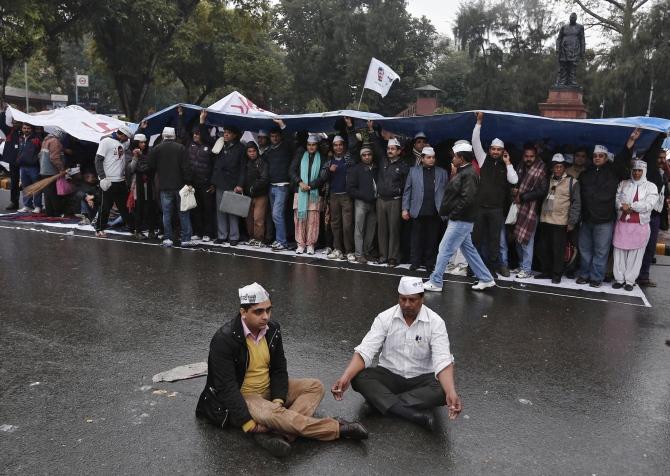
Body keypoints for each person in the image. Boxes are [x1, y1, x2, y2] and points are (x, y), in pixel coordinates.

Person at [196, 282, 368, 457]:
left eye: (268, 310)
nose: (265, 317)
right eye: (258, 311)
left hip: (268, 390)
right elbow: (226, 388)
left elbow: (279, 369)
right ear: (243, 313)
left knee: (315, 386)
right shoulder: (224, 339)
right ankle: (337, 428)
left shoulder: (273, 329)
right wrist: (249, 424)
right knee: (274, 413)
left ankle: (276, 433)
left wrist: (278, 400)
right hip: (244, 396)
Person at [331, 276, 462, 430]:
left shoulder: (436, 322)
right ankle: (411, 414)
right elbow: (366, 350)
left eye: (412, 300)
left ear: (422, 299)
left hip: (420, 380)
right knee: (358, 378)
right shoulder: (385, 317)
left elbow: (442, 360)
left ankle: (380, 404)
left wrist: (451, 392)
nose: (406, 304)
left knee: (443, 391)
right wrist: (345, 377)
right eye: (403, 299)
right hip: (389, 376)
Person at [423, 141, 496, 292]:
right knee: (469, 250)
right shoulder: (465, 171)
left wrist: (454, 214)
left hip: (461, 219)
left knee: (444, 248)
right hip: (462, 218)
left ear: (461, 158)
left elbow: (467, 199)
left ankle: (436, 281)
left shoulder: (469, 173)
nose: (452, 159)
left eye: (455, 156)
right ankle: (486, 278)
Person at [576, 130, 637, 288]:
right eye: (595, 155)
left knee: (601, 251)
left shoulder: (613, 171)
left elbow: (623, 158)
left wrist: (630, 141)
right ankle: (584, 274)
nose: (597, 158)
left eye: (601, 155)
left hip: (605, 220)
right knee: (584, 249)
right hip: (587, 219)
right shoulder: (585, 174)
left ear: (606, 157)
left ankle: (596, 277)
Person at [472, 112, 519, 277]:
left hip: (496, 210)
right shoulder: (483, 159)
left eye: (499, 150)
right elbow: (475, 141)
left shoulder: (505, 165)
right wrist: (479, 122)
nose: (495, 152)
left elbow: (514, 180)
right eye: (493, 149)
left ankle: (492, 269)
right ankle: (473, 268)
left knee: (494, 242)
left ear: (502, 151)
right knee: (476, 240)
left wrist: (508, 163)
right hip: (480, 208)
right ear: (489, 149)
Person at [612, 161, 659, 291]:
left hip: (640, 226)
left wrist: (631, 207)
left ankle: (629, 281)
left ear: (644, 171)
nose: (636, 173)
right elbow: (616, 199)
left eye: (639, 170)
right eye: (634, 170)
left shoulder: (651, 187)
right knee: (619, 252)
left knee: (636, 254)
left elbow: (649, 204)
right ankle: (619, 279)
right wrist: (622, 206)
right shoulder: (623, 183)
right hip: (622, 224)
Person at [535, 154, 581, 283]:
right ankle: (546, 271)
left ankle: (556, 274)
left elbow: (576, 203)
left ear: (564, 168)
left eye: (561, 167)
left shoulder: (572, 182)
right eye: (556, 167)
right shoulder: (547, 180)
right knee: (544, 247)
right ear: (552, 168)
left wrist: (572, 221)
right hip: (545, 219)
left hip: (560, 221)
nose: (558, 169)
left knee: (558, 250)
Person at [402, 146, 448, 273]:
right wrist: (405, 209)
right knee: (416, 239)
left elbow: (446, 192)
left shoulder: (442, 172)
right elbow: (407, 191)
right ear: (422, 158)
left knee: (432, 240)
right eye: (428, 157)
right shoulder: (413, 171)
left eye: (433, 157)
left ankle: (430, 263)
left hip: (435, 211)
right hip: (418, 210)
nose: (431, 160)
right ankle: (415, 262)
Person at [148, 127, 194, 248]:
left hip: (164, 185)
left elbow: (150, 165)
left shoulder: (156, 148)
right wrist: (188, 181)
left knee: (166, 213)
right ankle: (185, 239)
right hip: (180, 186)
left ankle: (167, 238)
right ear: (174, 136)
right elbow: (186, 167)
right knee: (183, 212)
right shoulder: (181, 148)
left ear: (163, 136)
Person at [510, 145, 548, 279]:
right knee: (518, 239)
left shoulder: (541, 169)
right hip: (518, 208)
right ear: (523, 156)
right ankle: (521, 266)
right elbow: (515, 182)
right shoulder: (520, 166)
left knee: (527, 241)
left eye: (531, 156)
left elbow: (542, 191)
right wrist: (514, 190)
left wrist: (523, 196)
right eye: (526, 156)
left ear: (536, 156)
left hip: (531, 210)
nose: (529, 159)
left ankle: (526, 269)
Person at [375, 133, 409, 267]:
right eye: (389, 149)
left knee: (394, 230)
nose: (390, 151)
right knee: (382, 230)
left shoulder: (404, 166)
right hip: (381, 200)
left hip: (395, 201)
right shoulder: (383, 161)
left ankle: (392, 258)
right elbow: (377, 147)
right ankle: (383, 256)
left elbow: (407, 187)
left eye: (393, 149)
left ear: (399, 151)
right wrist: (372, 130)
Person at [94, 125, 134, 237]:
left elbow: (133, 140)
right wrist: (102, 178)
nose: (128, 140)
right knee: (105, 206)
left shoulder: (122, 143)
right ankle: (99, 229)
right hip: (108, 180)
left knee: (125, 206)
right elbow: (98, 160)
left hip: (120, 180)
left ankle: (133, 228)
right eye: (127, 137)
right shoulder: (106, 141)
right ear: (122, 135)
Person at [321, 135, 355, 261]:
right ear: (333, 147)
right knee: (335, 224)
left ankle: (349, 251)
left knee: (347, 225)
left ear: (344, 146)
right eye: (335, 145)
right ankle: (337, 249)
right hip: (333, 196)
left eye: (340, 144)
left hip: (346, 196)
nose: (338, 147)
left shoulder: (349, 160)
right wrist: (329, 171)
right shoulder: (329, 161)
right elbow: (322, 177)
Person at [289, 134, 324, 255]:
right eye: (309, 145)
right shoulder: (300, 156)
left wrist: (311, 185)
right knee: (300, 219)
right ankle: (300, 244)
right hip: (300, 192)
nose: (311, 147)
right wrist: (300, 182)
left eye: (313, 145)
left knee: (313, 220)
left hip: (314, 193)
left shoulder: (322, 158)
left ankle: (310, 245)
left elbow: (323, 176)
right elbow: (291, 171)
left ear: (317, 146)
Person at [211, 125, 245, 246]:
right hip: (220, 182)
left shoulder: (241, 148)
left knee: (232, 210)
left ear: (235, 135)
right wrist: (213, 182)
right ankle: (222, 235)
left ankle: (234, 236)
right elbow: (215, 164)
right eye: (224, 132)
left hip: (233, 183)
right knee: (220, 210)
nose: (225, 135)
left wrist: (240, 184)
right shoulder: (220, 145)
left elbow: (242, 169)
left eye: (228, 133)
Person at [186, 110, 215, 241]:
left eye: (198, 133)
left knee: (208, 209)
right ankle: (198, 231)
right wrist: (181, 116)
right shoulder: (189, 145)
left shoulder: (210, 145)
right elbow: (182, 131)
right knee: (195, 208)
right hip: (193, 182)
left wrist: (213, 183)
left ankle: (208, 233)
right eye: (194, 133)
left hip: (206, 183)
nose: (196, 135)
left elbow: (215, 167)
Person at [347, 145, 378, 264]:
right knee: (359, 229)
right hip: (361, 202)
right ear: (361, 157)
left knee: (371, 229)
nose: (367, 157)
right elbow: (350, 189)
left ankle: (367, 252)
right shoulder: (356, 169)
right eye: (364, 155)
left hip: (374, 203)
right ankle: (359, 254)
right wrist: (363, 195)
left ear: (372, 155)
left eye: (369, 154)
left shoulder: (376, 168)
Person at [265, 121, 293, 251]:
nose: (274, 138)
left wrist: (282, 124)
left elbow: (290, 138)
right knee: (276, 215)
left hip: (283, 186)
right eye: (272, 136)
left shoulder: (286, 146)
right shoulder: (269, 150)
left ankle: (282, 241)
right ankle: (279, 239)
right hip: (271, 186)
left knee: (277, 214)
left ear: (280, 136)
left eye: (277, 136)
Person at [130, 134, 158, 239]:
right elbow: (131, 169)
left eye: (144, 142)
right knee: (139, 207)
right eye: (141, 142)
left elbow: (151, 166)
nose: (144, 144)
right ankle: (138, 230)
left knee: (151, 207)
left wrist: (141, 156)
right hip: (138, 184)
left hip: (149, 183)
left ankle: (151, 231)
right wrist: (135, 157)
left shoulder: (149, 152)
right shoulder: (132, 153)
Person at [243, 142, 270, 247]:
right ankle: (251, 237)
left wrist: (254, 186)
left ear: (257, 151)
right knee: (249, 218)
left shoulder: (262, 162)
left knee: (258, 218)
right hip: (247, 195)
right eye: (249, 151)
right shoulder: (245, 163)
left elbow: (264, 178)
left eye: (254, 151)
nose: (252, 153)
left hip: (260, 194)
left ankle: (259, 238)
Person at [14, 123, 43, 213]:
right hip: (23, 166)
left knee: (36, 187)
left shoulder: (36, 138)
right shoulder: (21, 138)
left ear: (32, 129)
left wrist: (36, 160)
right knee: (26, 187)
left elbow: (41, 151)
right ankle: (27, 205)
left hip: (34, 167)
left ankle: (38, 206)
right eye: (24, 128)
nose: (26, 130)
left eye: (28, 128)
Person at [39, 128, 67, 217]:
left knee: (48, 193)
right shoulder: (55, 141)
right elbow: (55, 158)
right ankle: (56, 212)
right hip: (51, 171)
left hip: (44, 170)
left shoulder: (46, 140)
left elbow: (40, 155)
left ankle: (49, 212)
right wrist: (62, 169)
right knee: (54, 193)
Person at [0, 108, 21, 210]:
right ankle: (14, 202)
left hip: (25, 162)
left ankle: (32, 204)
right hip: (13, 161)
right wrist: (5, 110)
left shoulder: (25, 130)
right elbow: (1, 119)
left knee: (28, 183)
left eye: (17, 122)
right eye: (13, 121)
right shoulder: (9, 131)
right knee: (14, 182)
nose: (15, 123)